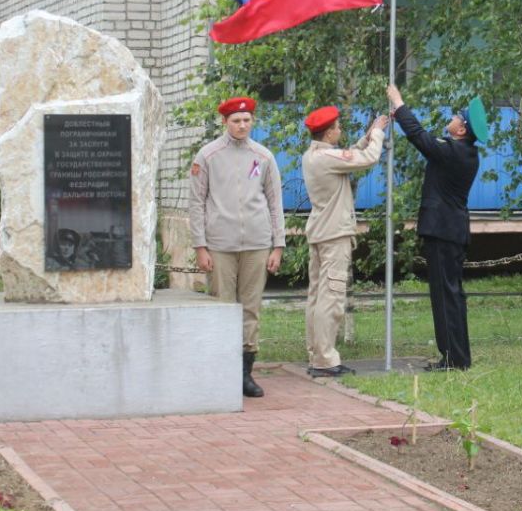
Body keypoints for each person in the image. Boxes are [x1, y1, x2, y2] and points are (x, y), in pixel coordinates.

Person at [189, 97, 286, 398]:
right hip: (220, 244)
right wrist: (200, 246)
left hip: (257, 243)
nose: (242, 125)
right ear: (225, 122)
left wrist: (278, 245)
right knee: (222, 305)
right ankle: (220, 369)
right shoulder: (208, 155)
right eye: (236, 121)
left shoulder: (264, 156)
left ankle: (245, 373)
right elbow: (196, 202)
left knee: (250, 308)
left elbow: (274, 202)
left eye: (246, 120)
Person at [386, 84, 487, 371]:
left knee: (446, 296)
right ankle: (457, 356)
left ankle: (454, 359)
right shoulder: (462, 151)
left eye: (458, 116)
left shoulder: (455, 151)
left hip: (443, 231)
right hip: (449, 231)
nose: (453, 117)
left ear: (461, 130)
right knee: (450, 295)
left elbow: (420, 137)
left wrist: (399, 103)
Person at [300, 106, 389, 378]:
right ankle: (326, 360)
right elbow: (369, 158)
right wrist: (377, 134)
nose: (340, 130)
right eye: (337, 127)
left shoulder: (314, 154)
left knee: (317, 297)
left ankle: (317, 354)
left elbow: (350, 153)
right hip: (334, 235)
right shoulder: (327, 157)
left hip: (320, 232)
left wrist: (366, 135)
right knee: (332, 298)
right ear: (328, 133)